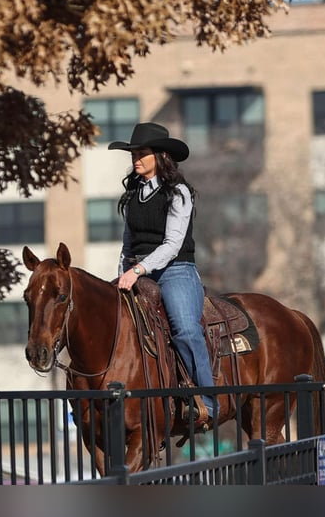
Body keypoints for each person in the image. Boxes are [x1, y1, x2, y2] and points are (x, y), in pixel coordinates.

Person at [108, 121, 214, 423]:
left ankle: (209, 401)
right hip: (136, 271)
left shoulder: (178, 192)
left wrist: (137, 270)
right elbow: (127, 244)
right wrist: (122, 274)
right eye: (133, 154)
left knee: (185, 328)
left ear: (161, 157)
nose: (135, 159)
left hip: (175, 269)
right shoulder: (132, 196)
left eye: (142, 153)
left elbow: (171, 245)